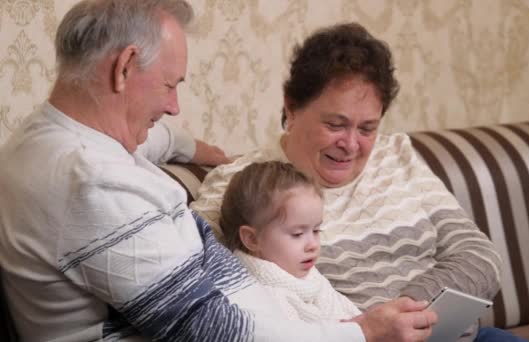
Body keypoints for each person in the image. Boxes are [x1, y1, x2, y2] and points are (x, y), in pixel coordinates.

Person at [0, 1, 437, 341]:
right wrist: (362, 333)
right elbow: (211, 329)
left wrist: (202, 149)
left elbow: (159, 137)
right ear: (124, 67)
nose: (173, 106)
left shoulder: (60, 134)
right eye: (170, 85)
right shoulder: (88, 182)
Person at [191, 22, 526, 342]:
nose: (351, 145)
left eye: (367, 128)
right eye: (336, 124)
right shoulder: (240, 185)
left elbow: (479, 256)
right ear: (291, 108)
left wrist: (403, 315)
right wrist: (369, 331)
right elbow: (201, 294)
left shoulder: (396, 155)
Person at [220, 161, 361, 322]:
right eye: (297, 234)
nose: (313, 245)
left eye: (316, 231)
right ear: (252, 239)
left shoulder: (311, 279)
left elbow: (357, 319)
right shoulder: (262, 299)